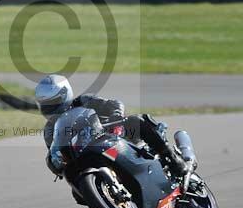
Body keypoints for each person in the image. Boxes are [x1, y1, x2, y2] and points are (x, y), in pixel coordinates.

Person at [35, 74, 187, 177]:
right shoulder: (49, 130)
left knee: (136, 121)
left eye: (53, 103)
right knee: (77, 192)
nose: (49, 108)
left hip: (114, 137)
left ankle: (171, 157)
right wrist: (55, 163)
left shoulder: (83, 101)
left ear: (65, 95)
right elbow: (55, 154)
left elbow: (114, 103)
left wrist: (116, 115)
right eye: (45, 105)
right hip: (88, 158)